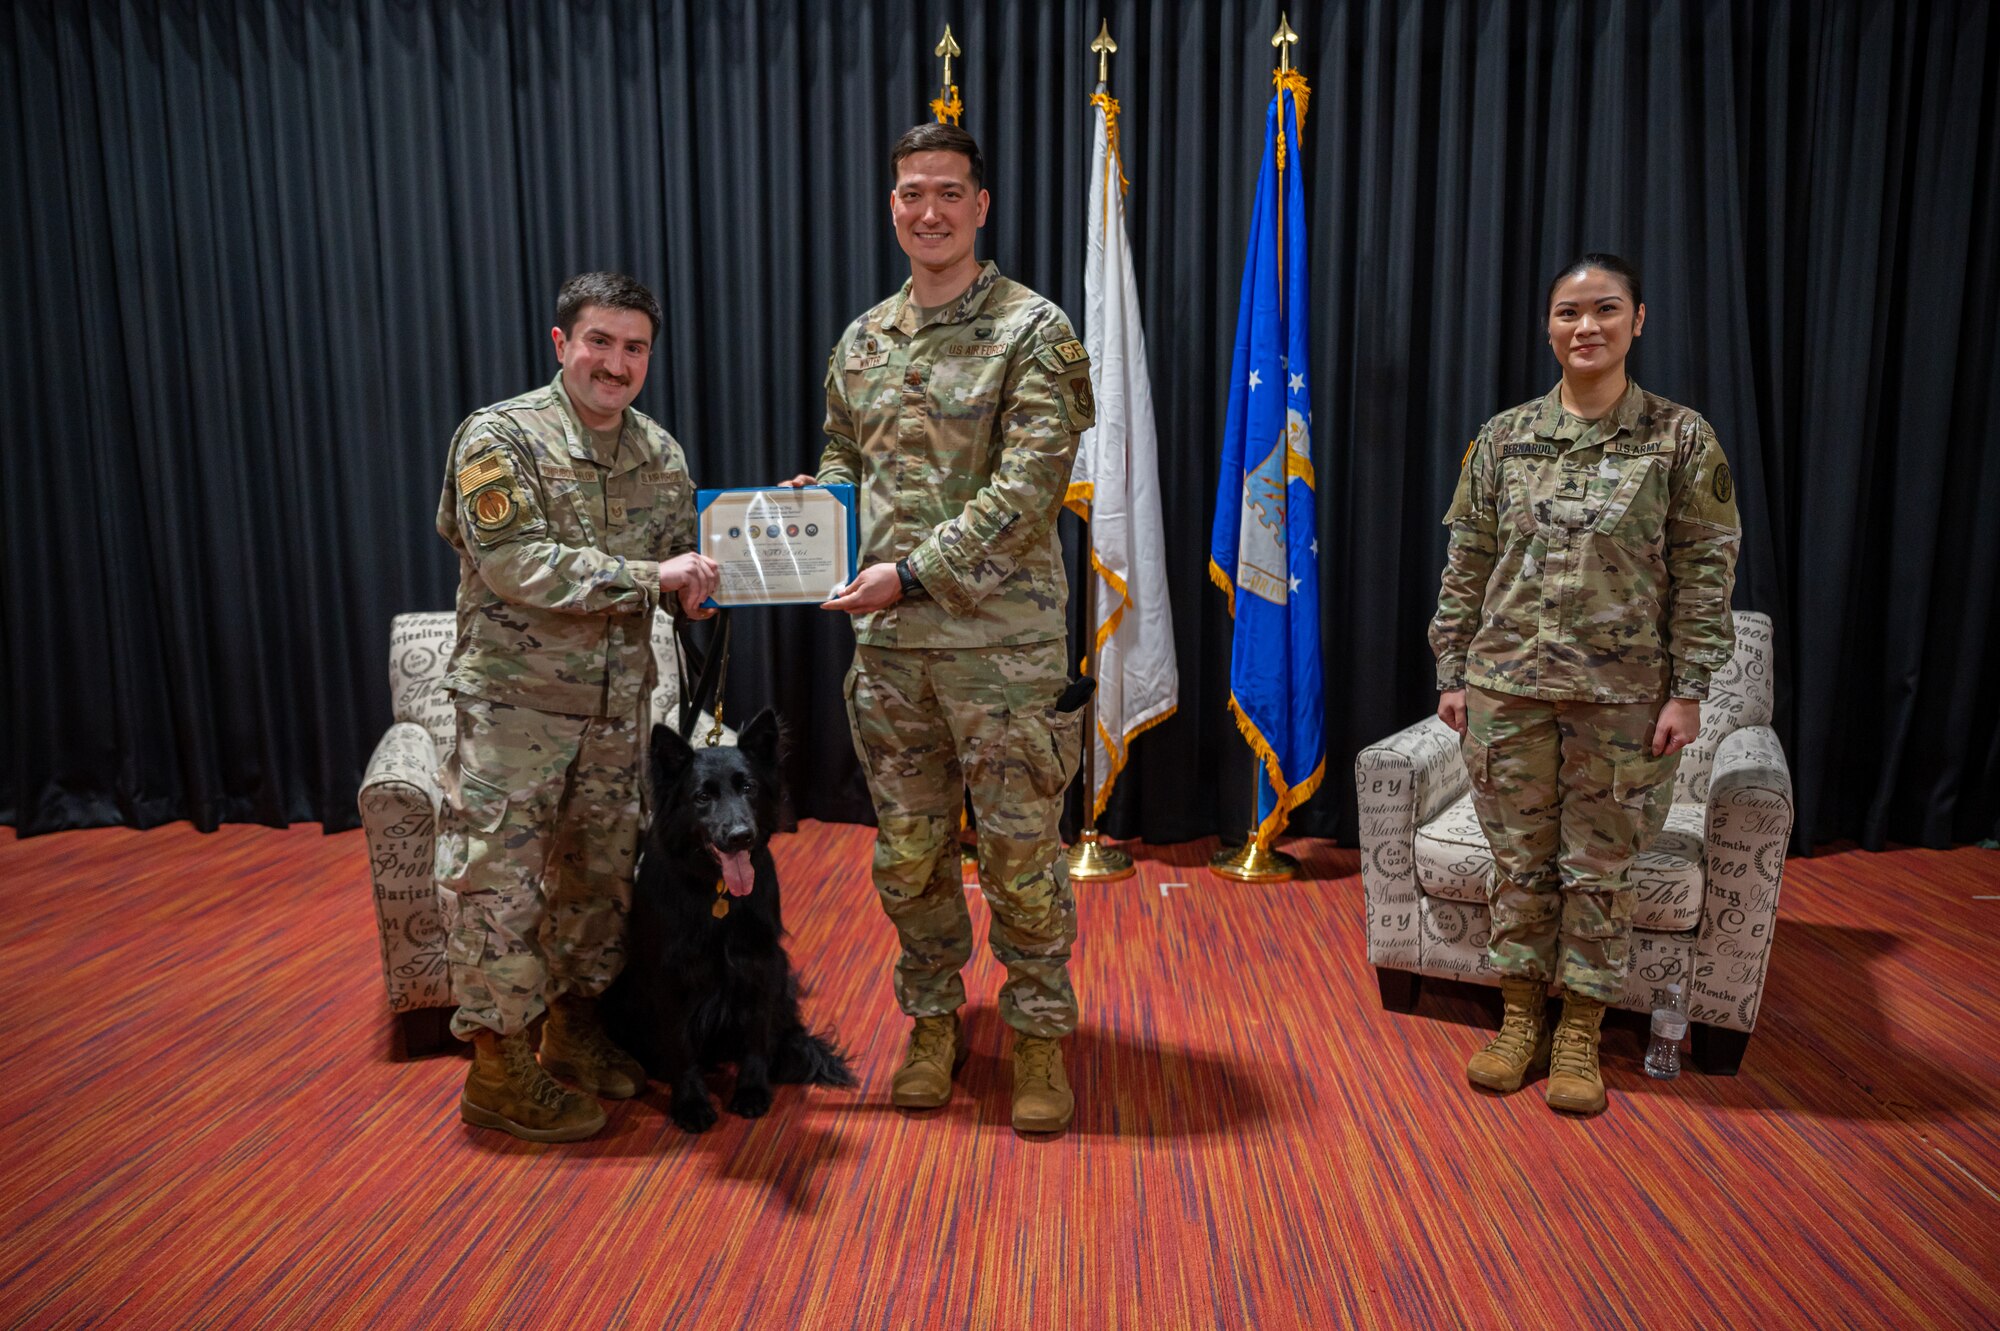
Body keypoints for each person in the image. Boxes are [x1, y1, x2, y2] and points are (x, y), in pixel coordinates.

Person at [787, 123, 1095, 1134]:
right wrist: (813, 512)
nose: (929, 210)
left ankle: (1040, 1031)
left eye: (948, 193)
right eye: (911, 193)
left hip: (1001, 653)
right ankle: (931, 1017)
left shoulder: (1032, 329)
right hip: (890, 660)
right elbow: (842, 449)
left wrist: (911, 573)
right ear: (892, 206)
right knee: (907, 855)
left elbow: (1027, 488)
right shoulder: (862, 338)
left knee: (1019, 855)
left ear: (981, 205)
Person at [1429, 253, 1741, 1116]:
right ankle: (1521, 1016)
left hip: (1624, 698)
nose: (1586, 327)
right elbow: (1468, 562)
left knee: (1599, 869)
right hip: (1508, 687)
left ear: (1638, 321)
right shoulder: (1504, 436)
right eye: (1569, 312)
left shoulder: (1680, 439)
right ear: (1549, 325)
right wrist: (1453, 669)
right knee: (1521, 862)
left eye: (1606, 310)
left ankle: (1581, 1031)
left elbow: (1706, 571)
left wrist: (1689, 689)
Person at [435, 271, 720, 1142]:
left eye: (635, 347)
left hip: (612, 716)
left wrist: (761, 542)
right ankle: (498, 1066)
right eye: (600, 341)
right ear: (563, 344)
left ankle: (573, 1029)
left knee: (597, 882)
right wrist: (650, 578)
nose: (617, 362)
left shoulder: (660, 455)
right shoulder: (501, 436)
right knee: (500, 889)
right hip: (514, 715)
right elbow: (515, 563)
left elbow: (679, 571)